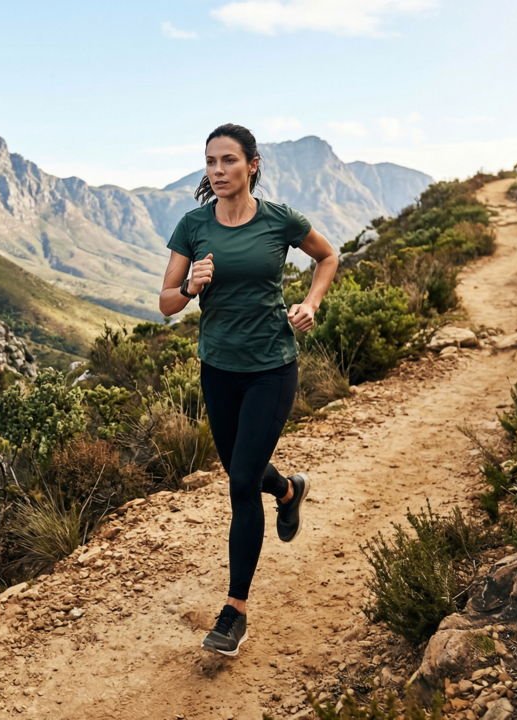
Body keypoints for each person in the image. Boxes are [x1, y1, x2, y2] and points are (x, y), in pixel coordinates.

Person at [158, 123, 338, 656]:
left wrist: (311, 304)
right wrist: (190, 287)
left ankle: (233, 613)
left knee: (239, 481)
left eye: (229, 161)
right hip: (218, 368)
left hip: (271, 367)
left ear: (252, 165)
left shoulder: (279, 220)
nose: (218, 171)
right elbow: (165, 302)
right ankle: (287, 490)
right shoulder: (192, 227)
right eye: (211, 162)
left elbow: (326, 257)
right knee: (245, 465)